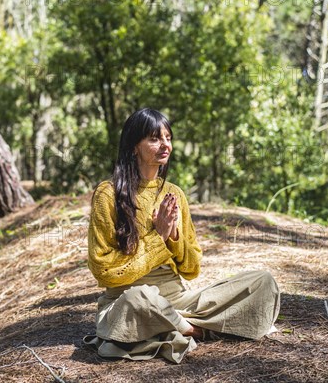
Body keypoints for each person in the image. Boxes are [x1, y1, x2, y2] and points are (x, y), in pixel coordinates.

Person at [82, 108, 280, 364]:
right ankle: (194, 330)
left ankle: (176, 323)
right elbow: (103, 271)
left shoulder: (174, 194)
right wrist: (158, 236)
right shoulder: (108, 195)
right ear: (134, 147)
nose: (165, 144)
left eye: (168, 137)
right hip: (129, 300)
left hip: (177, 299)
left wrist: (174, 238)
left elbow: (191, 269)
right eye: (154, 138)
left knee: (262, 282)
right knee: (139, 297)